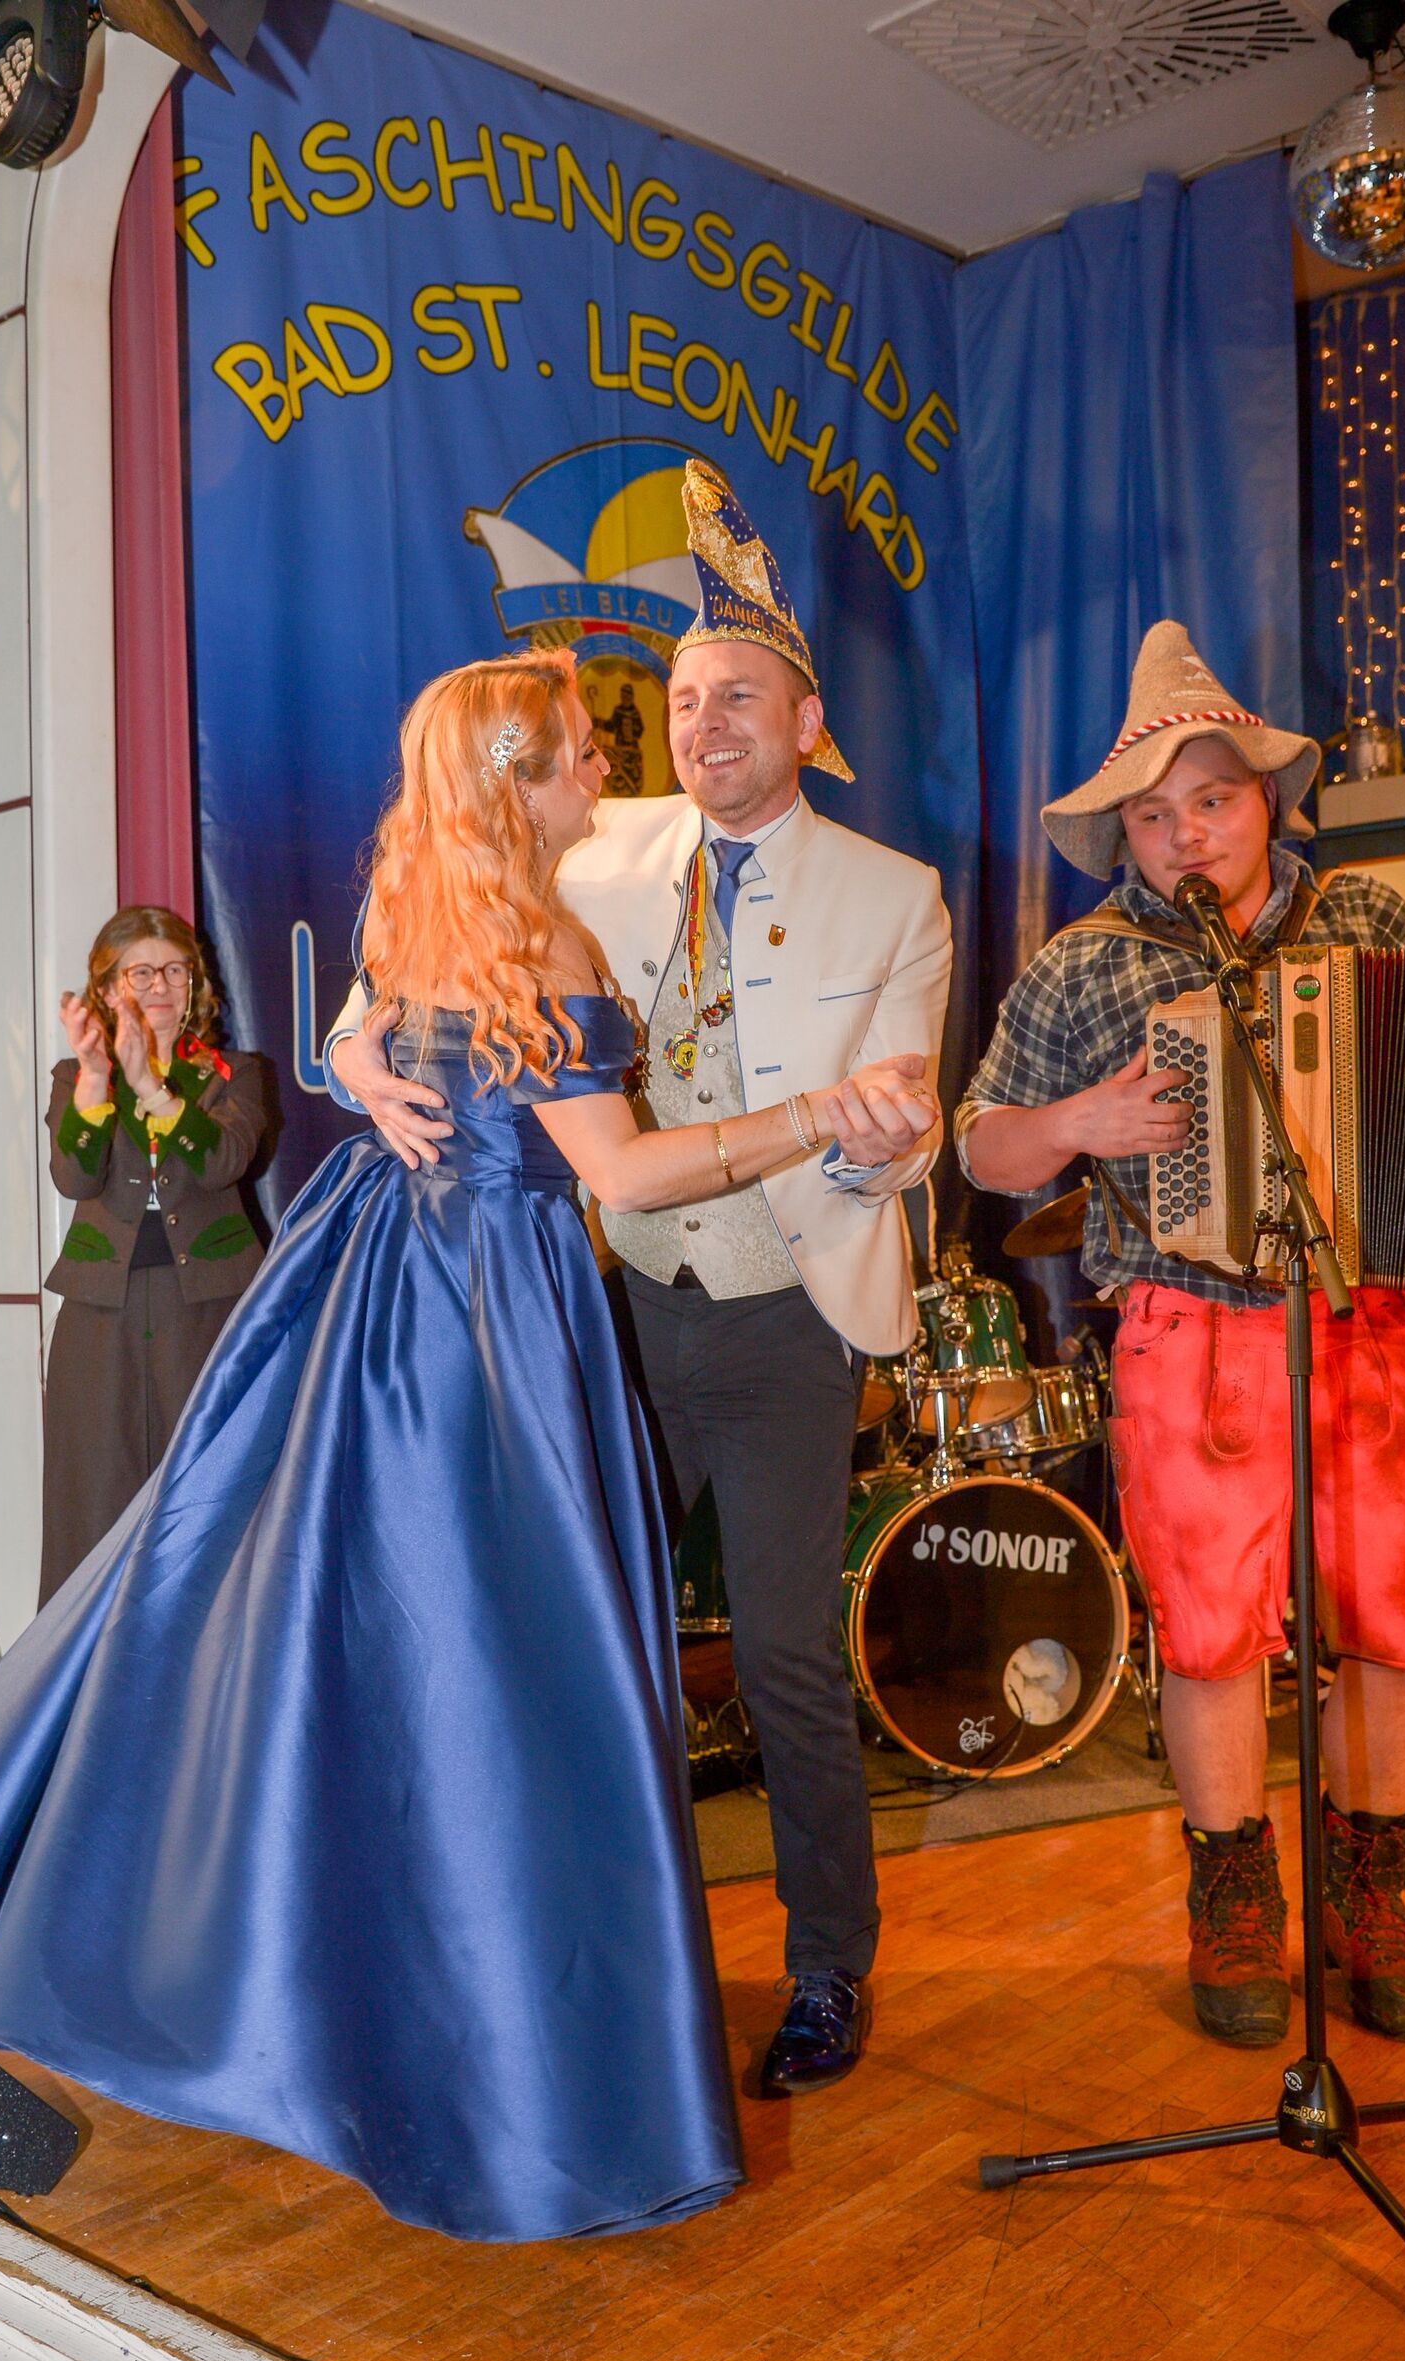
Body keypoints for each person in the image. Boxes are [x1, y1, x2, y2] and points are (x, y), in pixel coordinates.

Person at [0, 647, 934, 2242]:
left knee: (352, 1648)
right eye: (583, 748)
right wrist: (817, 1112)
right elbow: (625, 1175)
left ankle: (340, 1989)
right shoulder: (546, 932)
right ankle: (503, 2059)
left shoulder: (418, 894)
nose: (612, 766)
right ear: (518, 780)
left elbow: (375, 1019)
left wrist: (356, 1055)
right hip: (490, 1314)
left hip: (378, 1282)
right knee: (508, 1680)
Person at [326, 461, 952, 2097]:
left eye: (736, 696)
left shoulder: (897, 897)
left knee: (790, 1659)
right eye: (679, 699)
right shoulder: (589, 841)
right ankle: (589, 1952)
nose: (699, 723)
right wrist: (347, 1044)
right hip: (603, 1316)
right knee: (582, 1644)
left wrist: (877, 1138)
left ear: (807, 721)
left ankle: (827, 1966)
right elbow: (431, 916)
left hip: (785, 1320)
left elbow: (900, 1131)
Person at [957, 620, 1405, 2049]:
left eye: (1212, 799)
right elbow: (982, 1145)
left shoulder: (1366, 920)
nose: (1185, 831)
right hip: (1187, 1328)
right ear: (1122, 835)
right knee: (1212, 1634)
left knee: (1400, 1623)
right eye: (1152, 813)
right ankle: (1234, 1890)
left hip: (1369, 1315)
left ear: (1266, 800)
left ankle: (1370, 1884)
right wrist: (1081, 1122)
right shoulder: (1083, 964)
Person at [40, 906, 267, 1603]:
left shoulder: (235, 1073)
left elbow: (223, 1161)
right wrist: (98, 1078)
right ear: (109, 988)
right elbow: (74, 1177)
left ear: (195, 985)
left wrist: (151, 1087)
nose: (160, 986)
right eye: (140, 973)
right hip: (98, 1313)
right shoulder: (75, 1075)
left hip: (208, 1310)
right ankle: (82, 1663)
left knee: (205, 1496)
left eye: (175, 970)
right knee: (91, 1502)